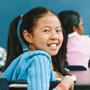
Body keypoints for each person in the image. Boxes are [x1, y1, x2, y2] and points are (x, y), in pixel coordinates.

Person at [1, 7, 74, 90]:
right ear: (28, 36)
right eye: (46, 30)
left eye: (58, 31)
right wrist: (66, 83)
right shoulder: (39, 58)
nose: (54, 37)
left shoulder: (25, 58)